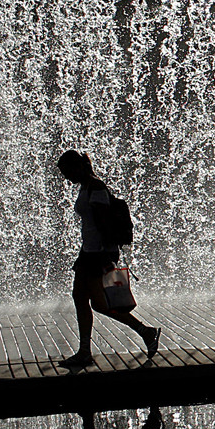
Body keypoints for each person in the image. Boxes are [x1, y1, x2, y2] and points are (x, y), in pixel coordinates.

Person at [56, 150, 159, 368]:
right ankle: (86, 350)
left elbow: (104, 224)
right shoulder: (86, 187)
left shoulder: (96, 187)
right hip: (89, 252)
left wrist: (106, 258)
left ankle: (144, 332)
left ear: (78, 167)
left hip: (98, 254)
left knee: (98, 304)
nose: (66, 178)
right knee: (83, 298)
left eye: (67, 172)